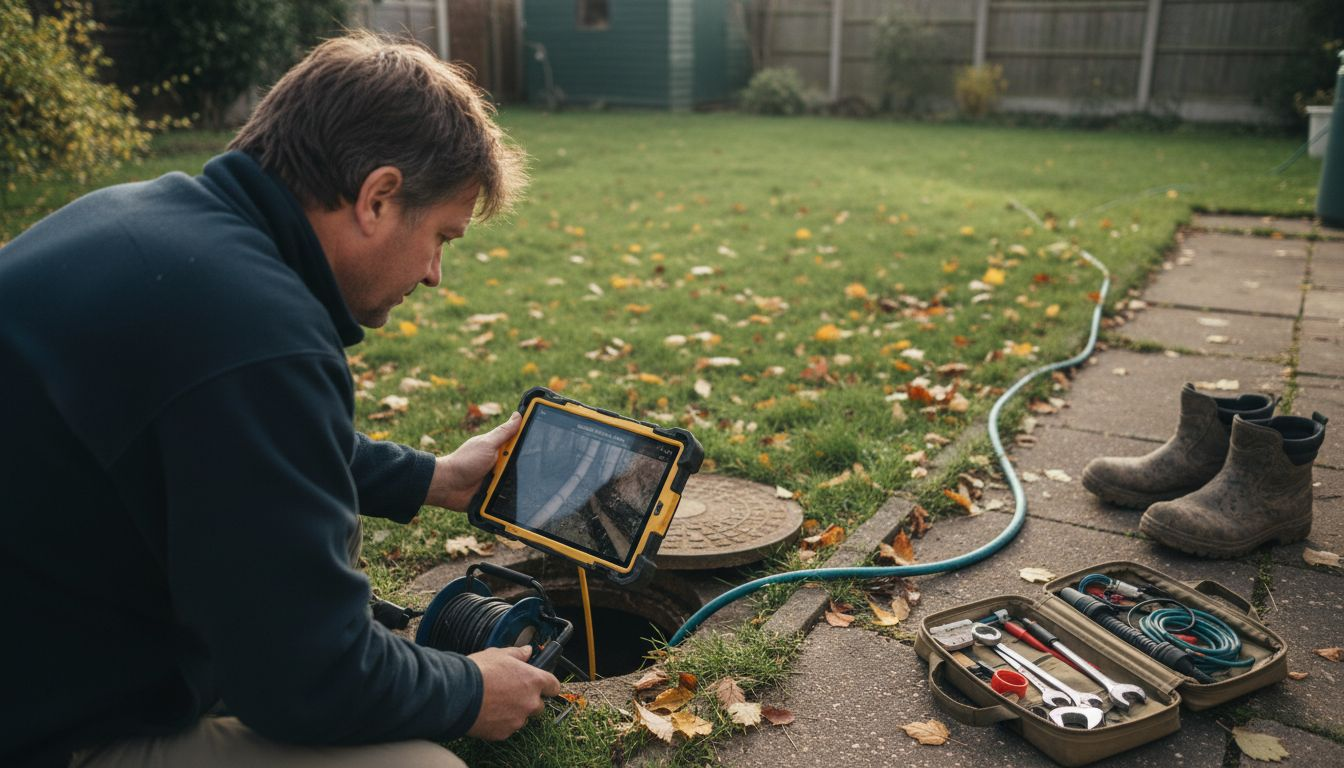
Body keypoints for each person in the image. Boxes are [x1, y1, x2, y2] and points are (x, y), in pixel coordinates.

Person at [0, 32, 560, 768]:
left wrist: (431, 479)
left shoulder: (143, 221)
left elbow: (223, 438)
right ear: (379, 197)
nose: (434, 275)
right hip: (48, 729)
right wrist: (468, 690)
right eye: (441, 238)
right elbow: (309, 678)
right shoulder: (256, 332)